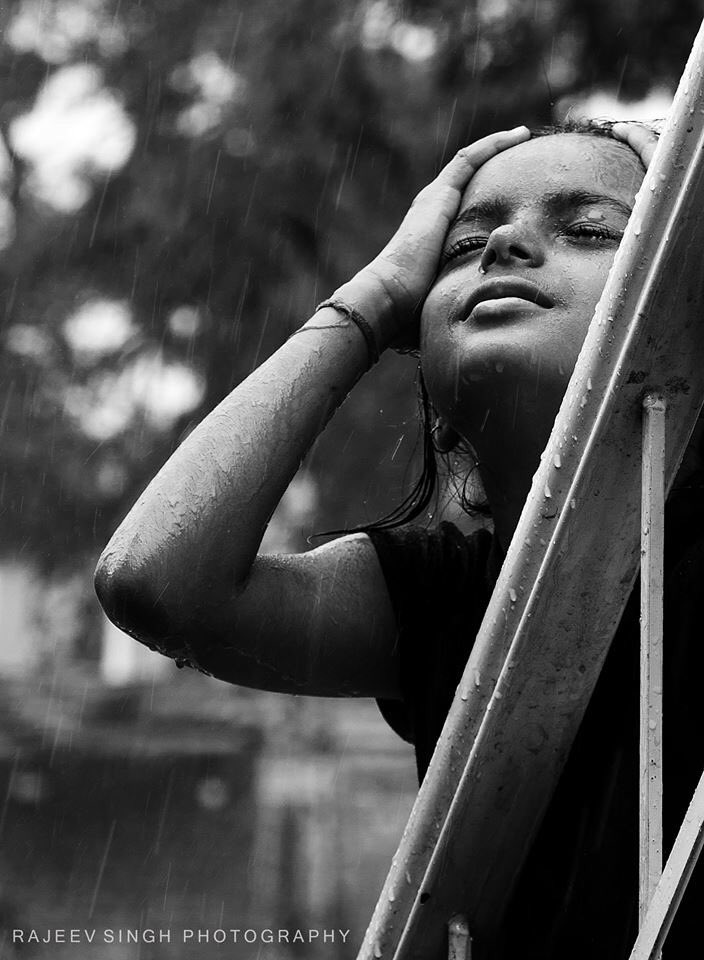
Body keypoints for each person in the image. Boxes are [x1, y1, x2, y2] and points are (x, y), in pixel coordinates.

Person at [95, 119, 704, 959]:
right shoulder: (446, 597)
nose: (508, 246)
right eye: (461, 247)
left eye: (590, 230)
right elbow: (156, 583)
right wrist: (373, 300)